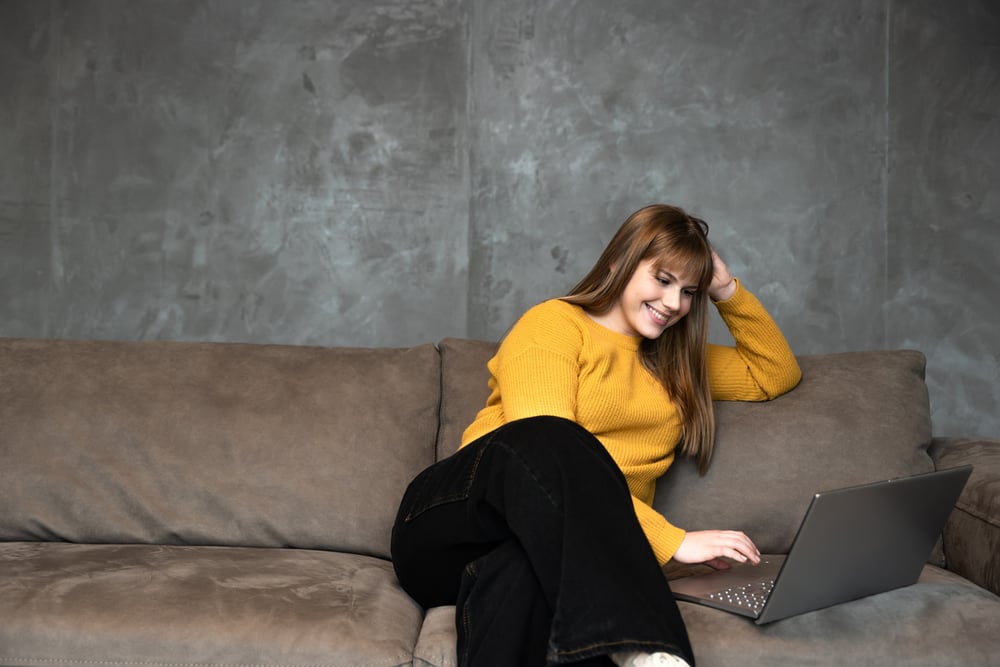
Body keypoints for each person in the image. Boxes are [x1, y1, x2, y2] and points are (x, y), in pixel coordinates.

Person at [391, 204, 802, 667]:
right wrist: (673, 542)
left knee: (520, 575)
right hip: (449, 527)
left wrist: (726, 290)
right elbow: (541, 455)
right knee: (551, 436)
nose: (674, 303)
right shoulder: (555, 323)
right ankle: (644, 643)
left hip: (540, 551)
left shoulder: (678, 362)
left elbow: (774, 373)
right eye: (663, 280)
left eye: (688, 291)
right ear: (619, 264)